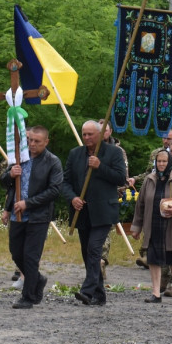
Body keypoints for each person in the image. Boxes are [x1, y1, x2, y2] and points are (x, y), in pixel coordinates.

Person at [62, 120, 127, 306]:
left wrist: (100, 166)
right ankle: (99, 294)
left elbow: (120, 178)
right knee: (86, 252)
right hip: (81, 211)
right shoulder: (75, 154)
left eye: (90, 134)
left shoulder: (113, 152)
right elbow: (65, 181)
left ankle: (87, 291)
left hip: (104, 211)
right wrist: (73, 197)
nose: (87, 137)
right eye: (84, 134)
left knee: (94, 248)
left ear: (100, 135)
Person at [1, 126, 62, 310]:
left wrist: (28, 203)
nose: (32, 144)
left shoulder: (53, 162)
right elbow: (5, 184)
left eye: (37, 141)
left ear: (46, 142)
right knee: (16, 252)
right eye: (30, 140)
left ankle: (27, 297)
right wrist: (10, 175)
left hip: (38, 216)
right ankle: (38, 279)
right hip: (17, 215)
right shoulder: (20, 157)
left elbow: (54, 190)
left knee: (30, 256)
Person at [130, 150, 172, 302]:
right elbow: (140, 205)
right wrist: (136, 227)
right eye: (159, 161)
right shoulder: (149, 180)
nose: (161, 164)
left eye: (164, 161)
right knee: (153, 260)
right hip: (153, 225)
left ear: (170, 163)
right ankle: (155, 293)